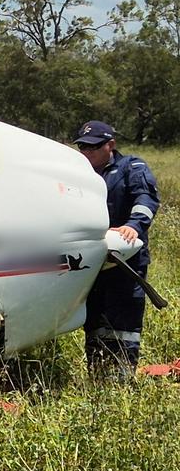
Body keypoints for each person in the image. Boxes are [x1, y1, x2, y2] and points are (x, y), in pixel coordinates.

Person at [74, 120, 160, 378]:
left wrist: (135, 225)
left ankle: (122, 376)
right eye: (82, 148)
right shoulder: (78, 173)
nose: (87, 153)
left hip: (124, 258)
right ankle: (97, 373)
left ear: (110, 144)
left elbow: (146, 199)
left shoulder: (131, 167)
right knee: (94, 318)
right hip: (90, 259)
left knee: (123, 318)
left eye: (93, 147)